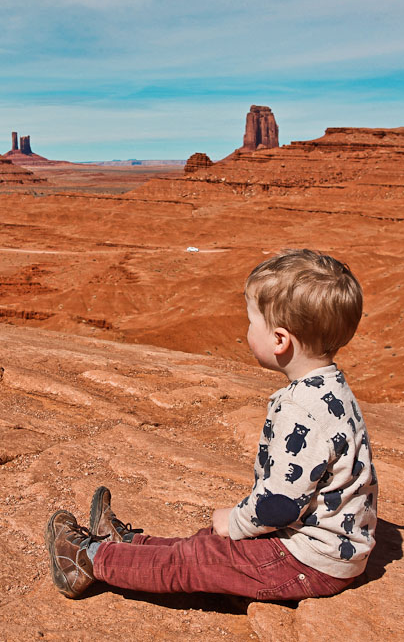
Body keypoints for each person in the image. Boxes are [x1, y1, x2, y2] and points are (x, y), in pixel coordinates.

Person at [45, 249, 377, 601]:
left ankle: (86, 561)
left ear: (280, 340)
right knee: (208, 544)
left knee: (196, 561)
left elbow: (281, 504)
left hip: (307, 561)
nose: (247, 329)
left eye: (252, 322)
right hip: (320, 549)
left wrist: (236, 520)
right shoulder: (332, 387)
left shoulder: (301, 411)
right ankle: (128, 545)